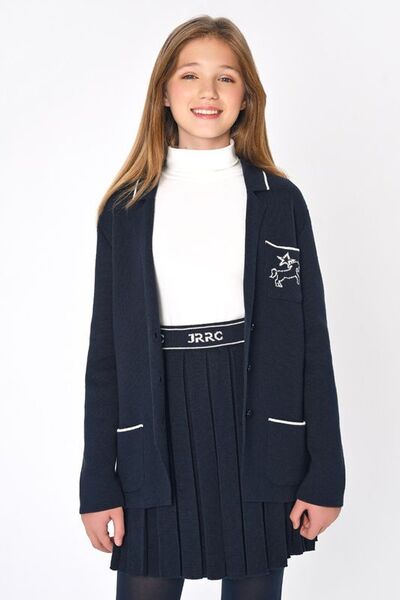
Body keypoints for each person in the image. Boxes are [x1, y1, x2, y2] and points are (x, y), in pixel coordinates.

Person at [79, 15, 346, 600]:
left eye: (226, 78)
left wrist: (327, 472)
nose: (208, 92)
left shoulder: (280, 203)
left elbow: (311, 344)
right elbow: (107, 357)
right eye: (190, 75)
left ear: (247, 96)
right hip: (155, 435)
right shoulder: (125, 210)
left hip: (258, 435)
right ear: (163, 92)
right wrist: (97, 480)